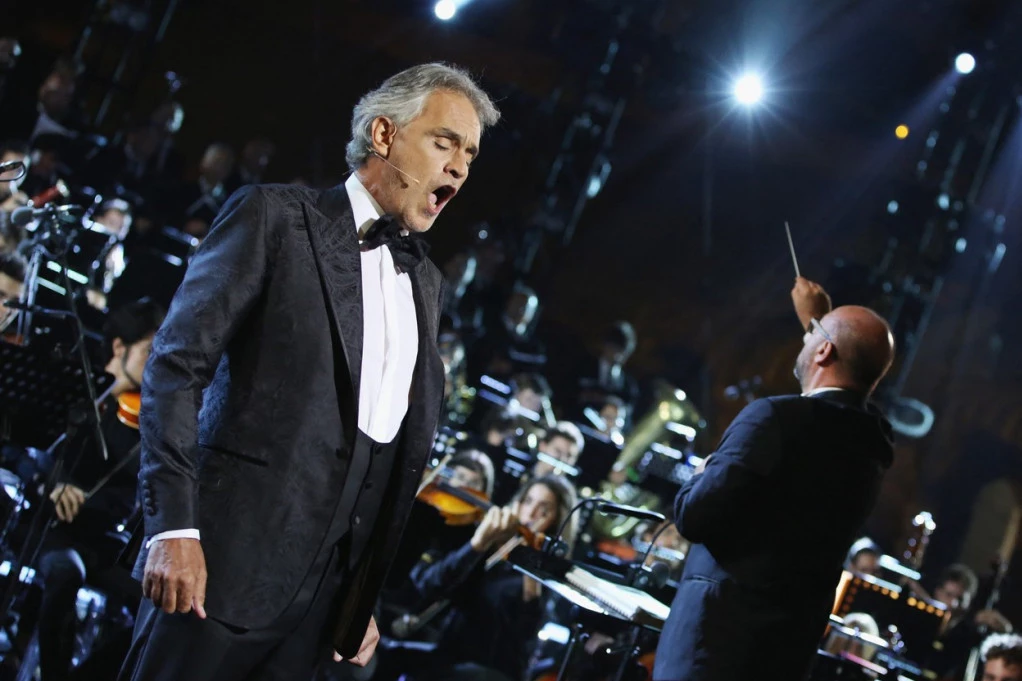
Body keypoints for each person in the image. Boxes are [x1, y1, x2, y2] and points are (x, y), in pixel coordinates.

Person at [116, 63, 499, 681]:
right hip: (217, 574)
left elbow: (386, 450)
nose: (459, 167)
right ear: (383, 135)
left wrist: (360, 595)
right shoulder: (274, 217)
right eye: (445, 143)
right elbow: (175, 368)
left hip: (320, 615)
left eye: (471, 155)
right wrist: (173, 528)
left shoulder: (427, 283)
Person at [653, 276, 897, 681]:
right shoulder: (871, 448)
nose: (804, 340)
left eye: (813, 335)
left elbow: (694, 517)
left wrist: (702, 473)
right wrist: (821, 325)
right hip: (783, 656)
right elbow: (843, 385)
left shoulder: (773, 418)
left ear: (823, 350)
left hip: (714, 647)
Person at [34, 299, 165, 681]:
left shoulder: (146, 422)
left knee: (156, 610)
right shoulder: (75, 395)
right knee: (65, 574)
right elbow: (35, 451)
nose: (155, 364)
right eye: (149, 351)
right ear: (119, 347)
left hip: (105, 542)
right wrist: (55, 484)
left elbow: (132, 497)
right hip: (54, 531)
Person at [405, 475, 578, 681]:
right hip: (449, 655)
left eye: (544, 510)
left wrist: (532, 562)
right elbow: (432, 585)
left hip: (491, 672)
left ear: (557, 521)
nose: (531, 513)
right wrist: (479, 544)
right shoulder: (492, 547)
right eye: (528, 501)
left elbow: (526, 632)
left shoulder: (550, 573)